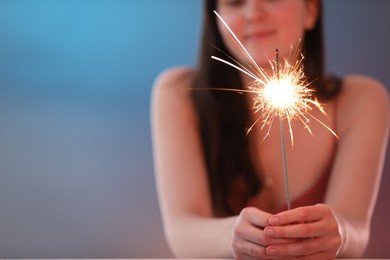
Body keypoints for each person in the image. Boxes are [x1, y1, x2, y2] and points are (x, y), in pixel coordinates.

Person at [151, 0, 389, 259]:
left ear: (310, 10)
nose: (253, 13)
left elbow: (356, 229)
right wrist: (234, 235)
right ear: (216, 18)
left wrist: (338, 232)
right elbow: (183, 233)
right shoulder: (180, 94)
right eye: (235, 1)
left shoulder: (362, 99)